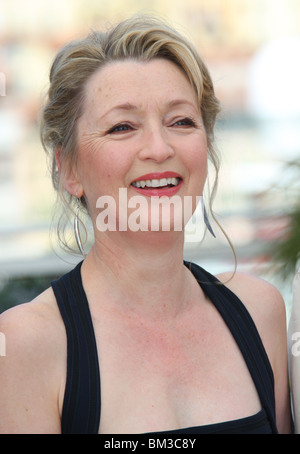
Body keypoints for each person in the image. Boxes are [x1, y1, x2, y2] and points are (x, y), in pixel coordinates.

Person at [0, 14, 291, 434]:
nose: (159, 147)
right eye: (122, 126)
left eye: (181, 121)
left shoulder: (259, 312)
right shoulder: (28, 344)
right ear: (69, 168)